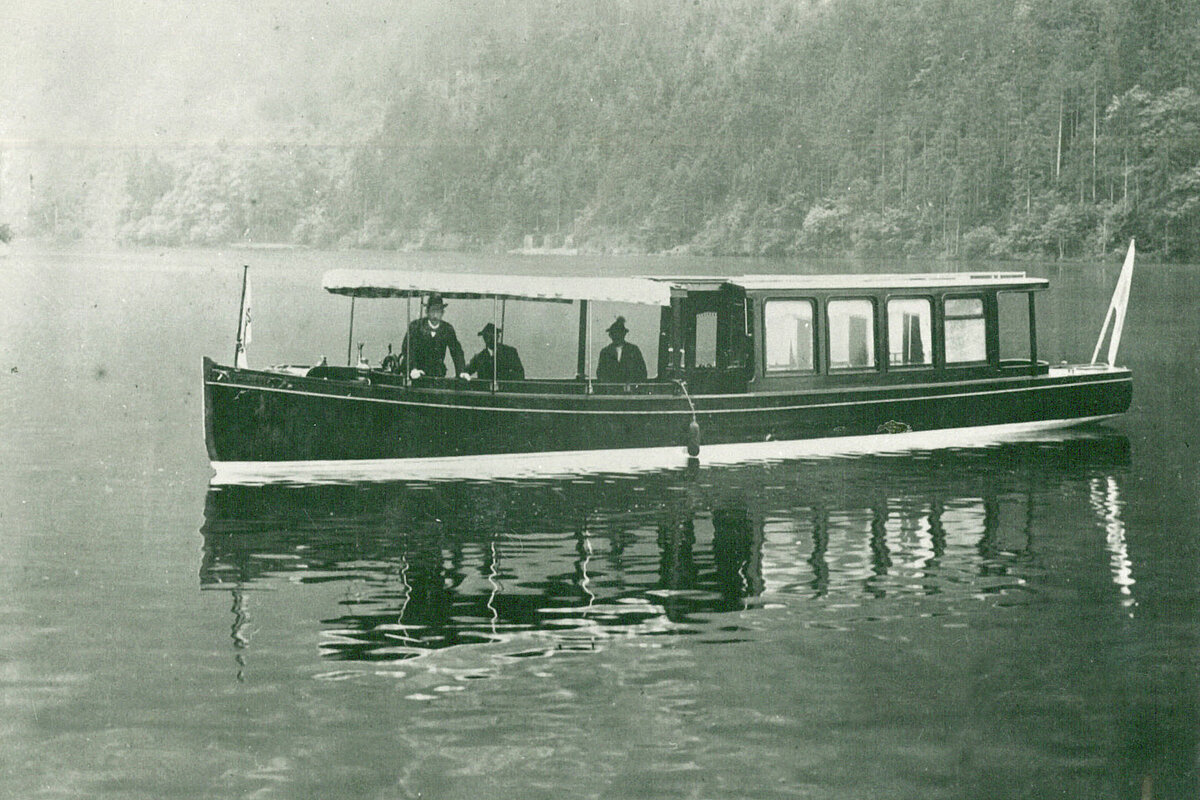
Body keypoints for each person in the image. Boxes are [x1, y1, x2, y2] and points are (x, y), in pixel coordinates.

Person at [397, 292, 469, 380]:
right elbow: (407, 349)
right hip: (416, 374)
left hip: (436, 374)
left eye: (438, 311)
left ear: (443, 313)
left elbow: (456, 351)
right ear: (427, 311)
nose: (435, 315)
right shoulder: (415, 326)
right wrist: (413, 369)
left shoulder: (447, 329)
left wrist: (461, 371)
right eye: (432, 311)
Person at [596, 316, 647, 383]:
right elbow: (600, 374)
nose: (617, 336)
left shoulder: (633, 350)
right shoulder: (605, 352)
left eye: (619, 333)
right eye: (614, 334)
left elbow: (642, 373)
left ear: (624, 334)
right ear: (610, 335)